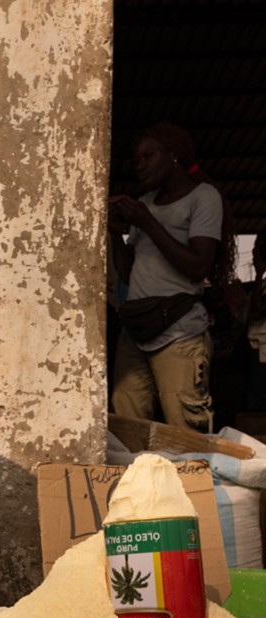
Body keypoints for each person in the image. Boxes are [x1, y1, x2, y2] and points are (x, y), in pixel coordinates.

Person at [108, 122, 237, 432]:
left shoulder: (203, 197)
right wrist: (115, 233)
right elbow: (128, 273)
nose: (140, 165)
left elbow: (198, 266)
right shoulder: (148, 203)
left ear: (174, 156)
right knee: (127, 422)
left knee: (185, 424)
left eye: (148, 156)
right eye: (137, 159)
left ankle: (194, 479)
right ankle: (137, 481)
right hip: (137, 329)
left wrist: (147, 222)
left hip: (178, 331)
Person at [246, 232, 266, 410]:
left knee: (258, 406)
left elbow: (258, 311)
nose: (253, 252)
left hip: (264, 352)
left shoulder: (262, 280)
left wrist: (259, 273)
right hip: (259, 348)